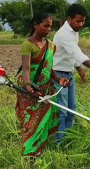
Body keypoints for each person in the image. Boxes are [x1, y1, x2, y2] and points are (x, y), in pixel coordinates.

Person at [16, 13, 70, 157]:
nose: (48, 29)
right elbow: (26, 68)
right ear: (35, 25)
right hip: (29, 89)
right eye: (45, 26)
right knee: (31, 122)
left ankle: (39, 149)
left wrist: (59, 80)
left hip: (45, 88)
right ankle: (30, 153)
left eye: (50, 26)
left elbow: (48, 67)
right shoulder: (27, 45)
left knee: (44, 120)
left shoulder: (51, 45)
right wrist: (28, 86)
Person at [53, 4, 90, 141]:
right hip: (59, 75)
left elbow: (70, 54)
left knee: (72, 108)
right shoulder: (63, 34)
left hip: (68, 74)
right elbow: (76, 52)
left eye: (83, 21)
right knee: (62, 110)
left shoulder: (74, 32)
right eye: (78, 21)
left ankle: (68, 137)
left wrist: (79, 69)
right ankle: (60, 142)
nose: (81, 24)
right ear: (69, 19)